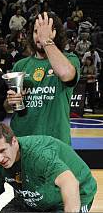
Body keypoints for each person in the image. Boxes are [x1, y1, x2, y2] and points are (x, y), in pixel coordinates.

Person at [6, 13, 81, 144]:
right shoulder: (20, 65)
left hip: (55, 141)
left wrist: (46, 40)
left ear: (55, 34)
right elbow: (7, 107)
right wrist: (11, 101)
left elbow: (66, 74)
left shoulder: (70, 59)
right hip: (22, 140)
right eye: (36, 31)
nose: (40, 36)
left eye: (45, 31)